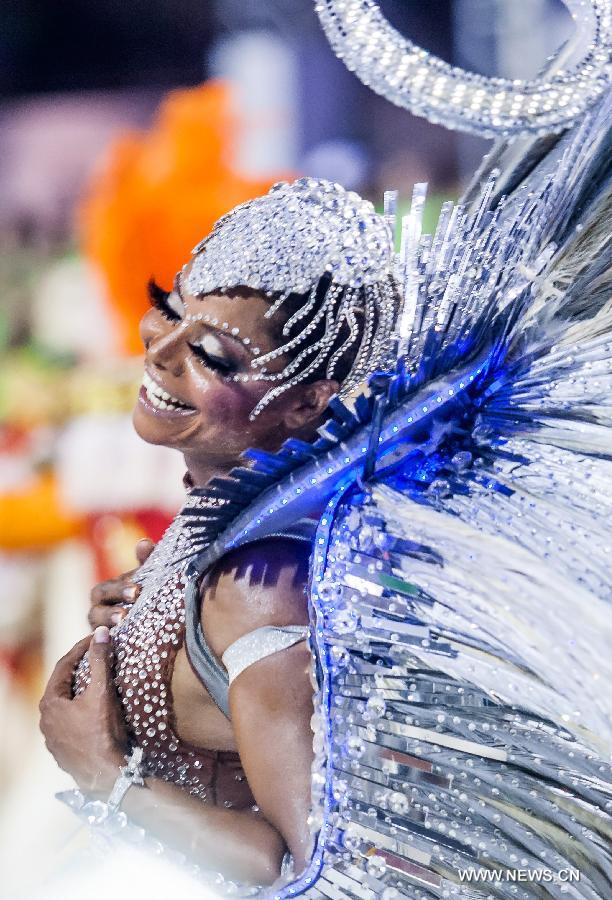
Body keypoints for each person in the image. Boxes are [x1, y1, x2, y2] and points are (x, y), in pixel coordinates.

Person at [39, 178, 398, 889]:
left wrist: (103, 774)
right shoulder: (222, 524)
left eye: (214, 357)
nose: (159, 353)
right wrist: (147, 628)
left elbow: (317, 865)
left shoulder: (259, 587)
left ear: (302, 404)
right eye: (167, 313)